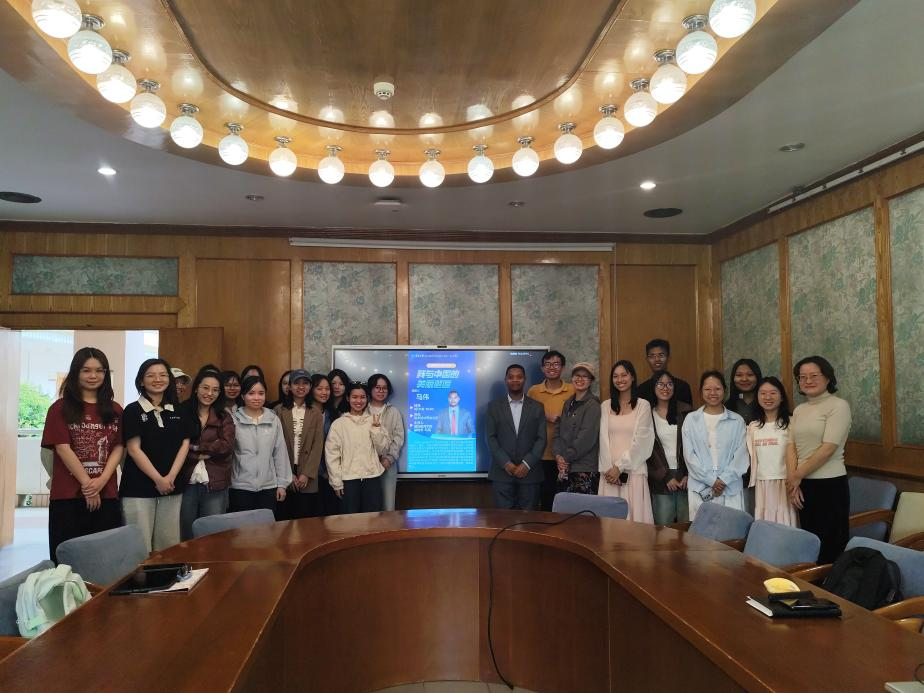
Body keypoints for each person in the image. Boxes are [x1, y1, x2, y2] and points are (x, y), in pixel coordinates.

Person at [42, 347, 124, 562]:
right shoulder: (59, 408)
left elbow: (118, 447)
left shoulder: (115, 410)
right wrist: (89, 486)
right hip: (67, 497)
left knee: (106, 560)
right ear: (75, 373)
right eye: (86, 370)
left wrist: (101, 482)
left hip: (107, 495)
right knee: (68, 561)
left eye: (99, 370)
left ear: (105, 374)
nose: (93, 375)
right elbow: (63, 448)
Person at [121, 358, 193, 552]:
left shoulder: (179, 410)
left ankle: (166, 573)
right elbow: (134, 449)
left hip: (172, 486)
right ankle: (140, 574)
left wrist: (170, 477)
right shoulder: (132, 410)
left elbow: (184, 444)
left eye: (163, 375)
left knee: (168, 543)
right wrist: (158, 479)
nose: (158, 379)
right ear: (141, 381)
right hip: (138, 487)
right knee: (139, 543)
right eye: (151, 375)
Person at [787, 356, 852, 563]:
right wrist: (793, 481)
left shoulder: (838, 406)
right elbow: (791, 446)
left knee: (831, 546)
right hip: (802, 484)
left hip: (830, 485)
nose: (808, 380)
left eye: (814, 375)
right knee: (809, 542)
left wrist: (796, 476)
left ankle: (831, 583)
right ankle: (811, 581)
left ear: (827, 378)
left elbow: (828, 448)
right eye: (802, 377)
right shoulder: (799, 410)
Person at [682, 371, 749, 520]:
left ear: (724, 390)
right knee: (702, 531)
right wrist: (711, 481)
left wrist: (723, 480)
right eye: (707, 389)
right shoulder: (691, 420)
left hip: (730, 487)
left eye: (717, 389)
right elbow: (689, 457)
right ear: (701, 391)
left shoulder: (737, 421)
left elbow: (741, 456)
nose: (712, 393)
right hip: (701, 488)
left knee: (731, 530)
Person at [178, 368, 235, 540]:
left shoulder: (224, 416)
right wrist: (198, 454)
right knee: (186, 533)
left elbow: (226, 446)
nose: (209, 393)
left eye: (215, 390)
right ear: (196, 388)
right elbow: (175, 447)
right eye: (205, 388)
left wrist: (196, 447)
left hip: (215, 483)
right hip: (185, 481)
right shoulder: (181, 412)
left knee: (212, 535)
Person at [598, 360, 655, 523]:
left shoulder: (643, 405)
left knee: (635, 525)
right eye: (615, 376)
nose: (620, 379)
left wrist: (620, 467)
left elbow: (643, 442)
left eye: (624, 375)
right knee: (609, 526)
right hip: (609, 476)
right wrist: (610, 470)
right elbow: (603, 441)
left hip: (633, 474)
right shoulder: (605, 406)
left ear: (632, 377)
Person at [485, 364, 547, 511]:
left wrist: (527, 464)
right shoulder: (493, 407)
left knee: (529, 520)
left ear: (525, 379)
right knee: (503, 520)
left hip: (530, 474)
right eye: (511, 377)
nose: (515, 380)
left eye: (519, 377)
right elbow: (491, 438)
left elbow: (541, 439)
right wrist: (506, 463)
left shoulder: (537, 407)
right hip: (502, 474)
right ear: (506, 380)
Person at [324, 382, 391, 514]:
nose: (359, 401)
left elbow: (382, 450)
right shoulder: (339, 424)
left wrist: (376, 429)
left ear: (367, 399)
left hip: (372, 478)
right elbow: (332, 455)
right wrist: (336, 482)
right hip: (349, 480)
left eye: (362, 397)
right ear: (348, 398)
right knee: (350, 519)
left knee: (372, 518)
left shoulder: (374, 421)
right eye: (354, 397)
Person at [229, 376, 291, 513]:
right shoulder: (234, 420)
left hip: (268, 486)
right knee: (242, 526)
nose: (256, 397)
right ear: (243, 396)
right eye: (251, 393)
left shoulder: (273, 419)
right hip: (240, 486)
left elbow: (280, 453)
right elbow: (229, 454)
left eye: (261, 393)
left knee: (266, 525)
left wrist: (282, 484)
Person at [527, 350, 574, 511]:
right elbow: (527, 419)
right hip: (542, 455)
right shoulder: (533, 391)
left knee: (566, 502)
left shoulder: (573, 390)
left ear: (563, 367)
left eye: (556, 364)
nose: (551, 367)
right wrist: (545, 415)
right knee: (545, 501)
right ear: (542, 368)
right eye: (547, 364)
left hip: (567, 456)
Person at [747, 376, 798, 527]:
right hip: (762, 482)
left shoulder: (792, 423)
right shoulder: (753, 427)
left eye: (773, 393)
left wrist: (795, 481)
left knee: (785, 523)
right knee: (766, 524)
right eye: (763, 393)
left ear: (781, 397)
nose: (767, 397)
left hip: (785, 482)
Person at [274, 370, 323, 520]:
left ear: (310, 387)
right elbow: (276, 445)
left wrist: (306, 474)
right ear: (289, 386)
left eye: (305, 383)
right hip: (285, 470)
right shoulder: (278, 410)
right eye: (296, 383)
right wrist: (288, 474)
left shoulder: (316, 412)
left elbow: (317, 445)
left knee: (305, 520)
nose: (301, 387)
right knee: (284, 520)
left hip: (307, 475)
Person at [647, 371, 692, 525]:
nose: (665, 388)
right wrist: (666, 477)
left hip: (685, 477)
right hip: (660, 478)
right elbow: (647, 451)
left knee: (687, 528)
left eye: (669, 384)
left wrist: (688, 474)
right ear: (653, 387)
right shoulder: (647, 414)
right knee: (663, 529)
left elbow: (694, 445)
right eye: (660, 384)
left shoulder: (686, 412)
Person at [551, 362, 600, 496]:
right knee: (566, 508)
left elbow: (586, 439)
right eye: (577, 375)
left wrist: (565, 458)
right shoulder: (568, 403)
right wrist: (558, 456)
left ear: (591, 381)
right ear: (572, 378)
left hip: (584, 469)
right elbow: (558, 430)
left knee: (583, 509)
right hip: (565, 468)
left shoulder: (593, 405)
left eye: (585, 376)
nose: (580, 379)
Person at [367, 373, 406, 512]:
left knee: (388, 506)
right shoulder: (363, 410)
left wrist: (389, 458)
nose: (381, 391)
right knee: (369, 507)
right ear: (371, 389)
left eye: (384, 388)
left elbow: (399, 438)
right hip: (366, 465)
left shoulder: (394, 411)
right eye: (377, 387)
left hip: (388, 464)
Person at [310, 373, 341, 516]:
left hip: (330, 472)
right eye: (319, 389)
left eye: (327, 389)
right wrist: (321, 471)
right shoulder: (304, 412)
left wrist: (329, 471)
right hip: (310, 473)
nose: (324, 392)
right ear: (311, 390)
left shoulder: (332, 414)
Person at [637, 339, 693, 406]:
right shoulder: (642, 389)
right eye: (652, 356)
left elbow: (687, 411)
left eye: (661, 355)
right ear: (647, 360)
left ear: (668, 358)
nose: (657, 359)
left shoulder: (682, 387)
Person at [726, 359, 763, 424]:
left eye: (750, 375)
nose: (744, 379)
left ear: (757, 377)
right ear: (733, 378)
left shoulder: (766, 403)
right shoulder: (726, 407)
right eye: (739, 375)